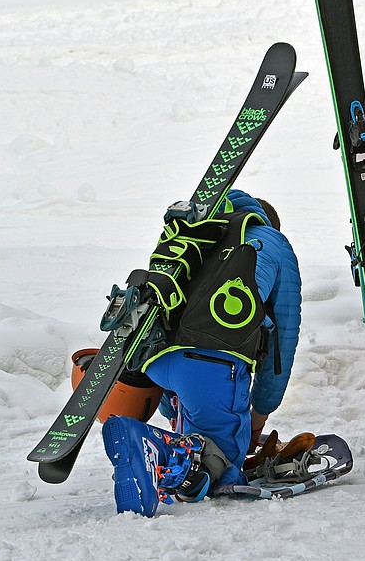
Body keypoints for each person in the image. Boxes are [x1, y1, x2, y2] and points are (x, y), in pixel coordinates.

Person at [102, 189, 303, 516]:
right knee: (224, 463)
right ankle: (152, 445)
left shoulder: (197, 234)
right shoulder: (274, 242)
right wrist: (259, 414)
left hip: (155, 357)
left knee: (193, 457)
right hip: (213, 361)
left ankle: (170, 452)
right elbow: (283, 340)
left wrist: (173, 406)